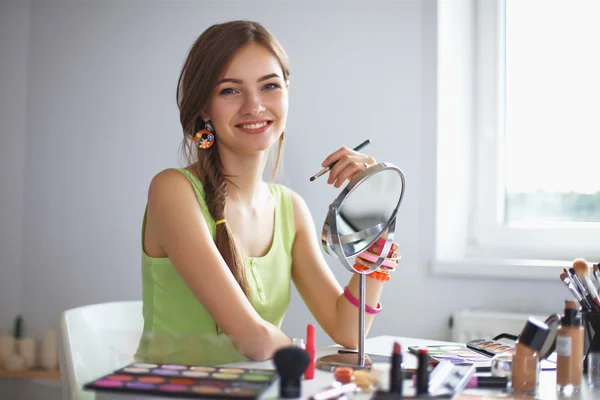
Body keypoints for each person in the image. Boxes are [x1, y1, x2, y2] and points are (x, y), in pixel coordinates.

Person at [135, 20, 395, 365]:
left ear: (287, 90)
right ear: (203, 108)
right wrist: (304, 355)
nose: (254, 106)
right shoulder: (174, 191)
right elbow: (252, 339)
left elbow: (347, 330)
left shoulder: (290, 208)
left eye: (269, 86)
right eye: (230, 90)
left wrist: (374, 207)